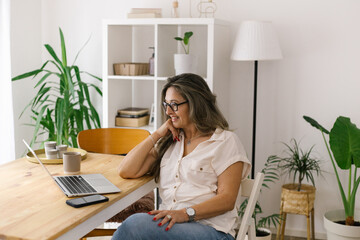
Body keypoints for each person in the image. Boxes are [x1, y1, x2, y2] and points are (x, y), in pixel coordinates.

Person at [113, 73, 251, 240]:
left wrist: (184, 214)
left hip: (212, 231)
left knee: (135, 225)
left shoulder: (225, 141)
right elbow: (125, 170)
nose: (169, 111)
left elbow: (227, 200)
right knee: (135, 226)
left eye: (175, 105)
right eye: (166, 105)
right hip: (171, 228)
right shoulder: (170, 143)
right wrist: (157, 134)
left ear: (196, 104)